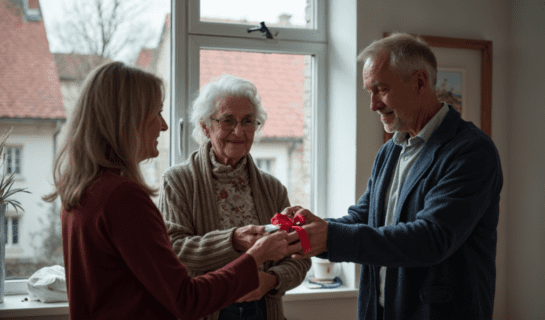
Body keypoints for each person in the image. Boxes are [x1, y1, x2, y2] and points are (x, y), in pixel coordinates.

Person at [43, 62, 290, 320]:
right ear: (128, 120)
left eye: (248, 121)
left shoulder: (85, 189)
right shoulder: (123, 198)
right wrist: (256, 255)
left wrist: (272, 277)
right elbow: (186, 299)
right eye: (156, 113)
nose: (164, 126)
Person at [285, 33, 503, 320]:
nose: (373, 104)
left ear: (420, 82)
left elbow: (432, 238)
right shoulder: (389, 151)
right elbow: (364, 218)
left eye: (381, 89)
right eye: (369, 92)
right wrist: (310, 230)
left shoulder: (471, 151)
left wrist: (331, 238)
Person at [158, 74, 311, 320]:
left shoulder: (273, 188)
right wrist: (233, 241)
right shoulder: (178, 181)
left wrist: (272, 280)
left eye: (248, 121)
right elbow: (173, 251)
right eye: (228, 120)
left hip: (263, 309)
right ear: (206, 126)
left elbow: (300, 255)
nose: (239, 131)